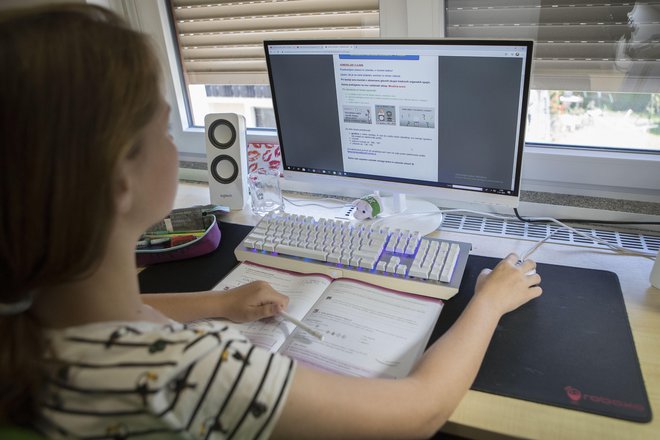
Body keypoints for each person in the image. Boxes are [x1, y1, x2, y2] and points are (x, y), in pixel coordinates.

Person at [0, 4, 542, 439]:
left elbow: (129, 314)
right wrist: (489, 300)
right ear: (121, 180)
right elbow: (417, 413)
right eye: (166, 130)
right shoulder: (188, 373)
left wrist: (217, 302)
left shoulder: (31, 323)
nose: (175, 145)